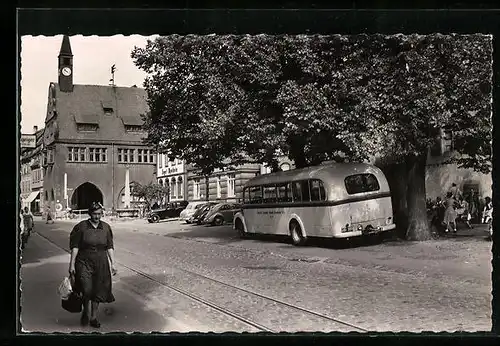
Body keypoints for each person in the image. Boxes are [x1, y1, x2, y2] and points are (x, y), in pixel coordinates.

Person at [69, 202, 117, 328]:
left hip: (101, 262)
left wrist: (113, 264)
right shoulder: (81, 227)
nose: (97, 217)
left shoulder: (106, 228)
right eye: (94, 214)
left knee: (98, 290)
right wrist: (72, 264)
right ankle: (86, 310)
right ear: (90, 214)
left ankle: (93, 317)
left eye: (99, 214)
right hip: (84, 262)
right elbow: (75, 247)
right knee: (87, 289)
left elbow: (110, 247)